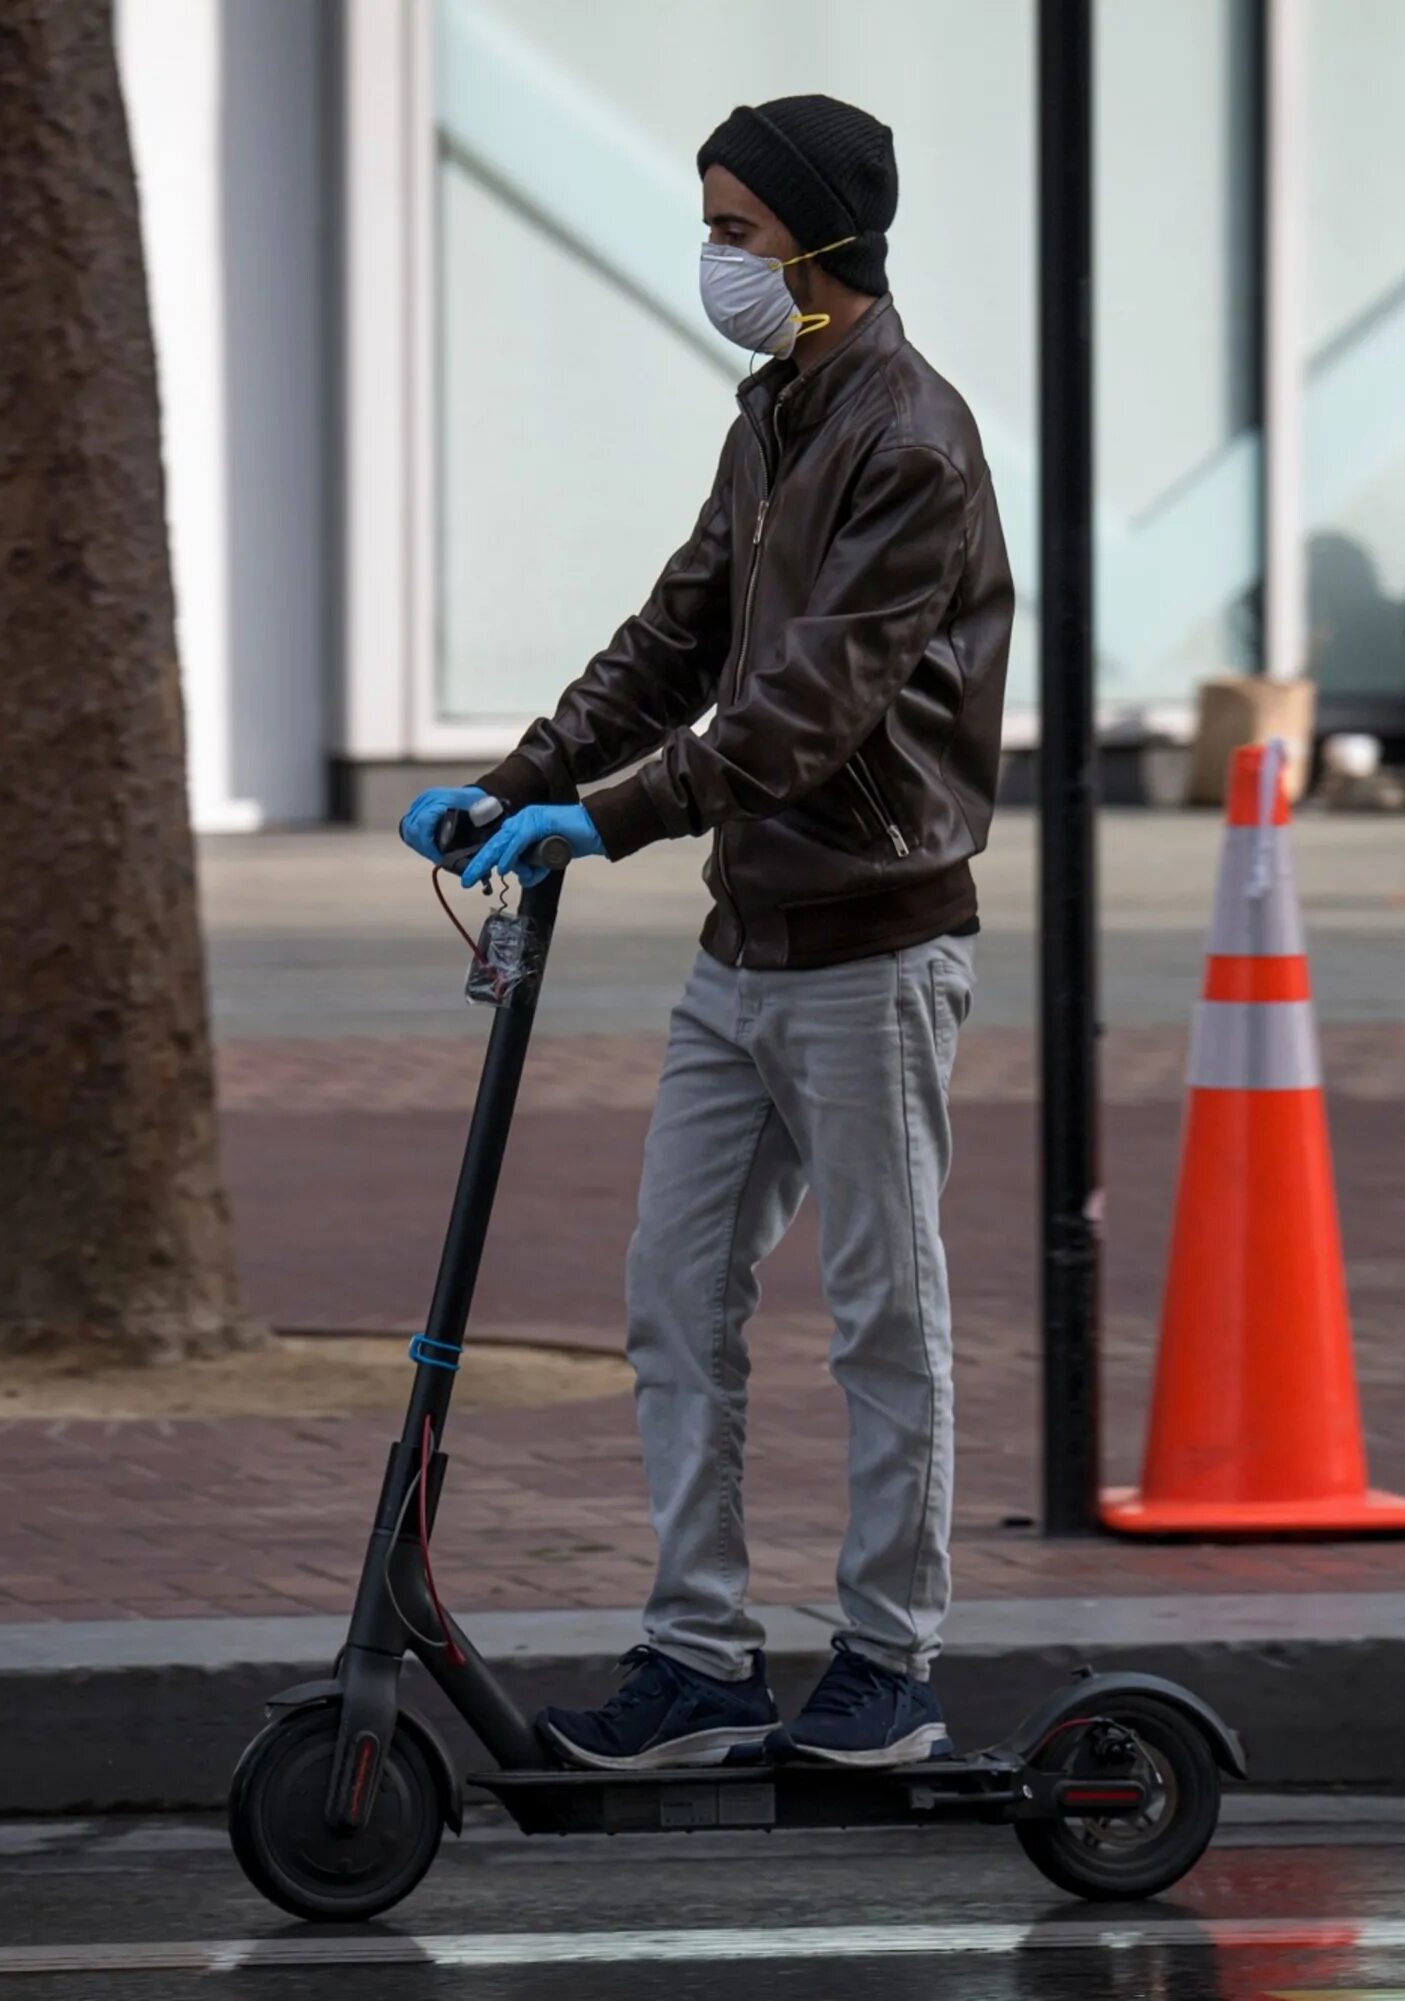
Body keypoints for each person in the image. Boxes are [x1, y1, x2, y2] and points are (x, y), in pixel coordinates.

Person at [398, 94, 1010, 1771]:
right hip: (747, 947)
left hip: (876, 946)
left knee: (885, 1309)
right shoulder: (776, 414)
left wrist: (604, 817)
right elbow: (680, 634)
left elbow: (805, 711)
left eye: (738, 231)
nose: (716, 260)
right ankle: (703, 1650)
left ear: (820, 246)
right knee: (674, 1294)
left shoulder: (913, 441)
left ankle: (890, 1661)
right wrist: (516, 777)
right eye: (713, 227)